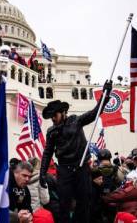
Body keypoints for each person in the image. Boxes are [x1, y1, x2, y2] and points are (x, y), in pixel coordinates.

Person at [39, 80, 112, 223]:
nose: (53, 118)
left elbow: (94, 113)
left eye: (55, 115)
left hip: (81, 167)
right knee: (64, 203)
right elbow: (47, 153)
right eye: (51, 116)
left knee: (84, 201)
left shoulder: (76, 121)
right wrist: (42, 172)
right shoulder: (51, 131)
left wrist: (105, 95)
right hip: (64, 170)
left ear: (63, 112)